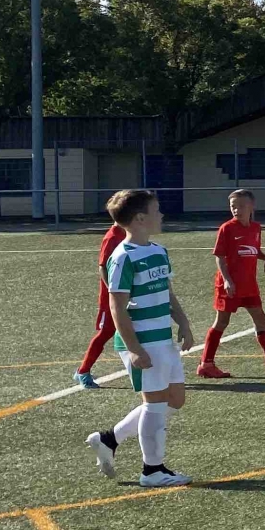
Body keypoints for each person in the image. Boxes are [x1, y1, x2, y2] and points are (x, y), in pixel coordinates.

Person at [84, 189, 195, 488]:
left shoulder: (159, 250)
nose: (162, 215)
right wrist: (134, 349)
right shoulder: (122, 257)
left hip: (163, 338)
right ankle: (152, 470)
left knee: (175, 400)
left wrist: (183, 323)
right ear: (140, 219)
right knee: (155, 403)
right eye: (156, 211)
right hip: (142, 341)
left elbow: (167, 292)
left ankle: (109, 439)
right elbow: (116, 307)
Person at [197, 189, 265, 379]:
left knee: (260, 317)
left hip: (249, 284)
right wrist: (227, 280)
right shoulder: (227, 228)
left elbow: (253, 249)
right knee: (222, 322)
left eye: (241, 206)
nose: (236, 210)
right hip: (230, 285)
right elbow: (219, 257)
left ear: (252, 206)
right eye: (233, 206)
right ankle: (206, 364)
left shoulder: (256, 228)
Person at [72, 219, 129, 388]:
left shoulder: (128, 234)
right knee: (106, 332)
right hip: (112, 298)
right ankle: (83, 371)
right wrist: (113, 290)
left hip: (128, 294)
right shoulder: (112, 237)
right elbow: (102, 266)